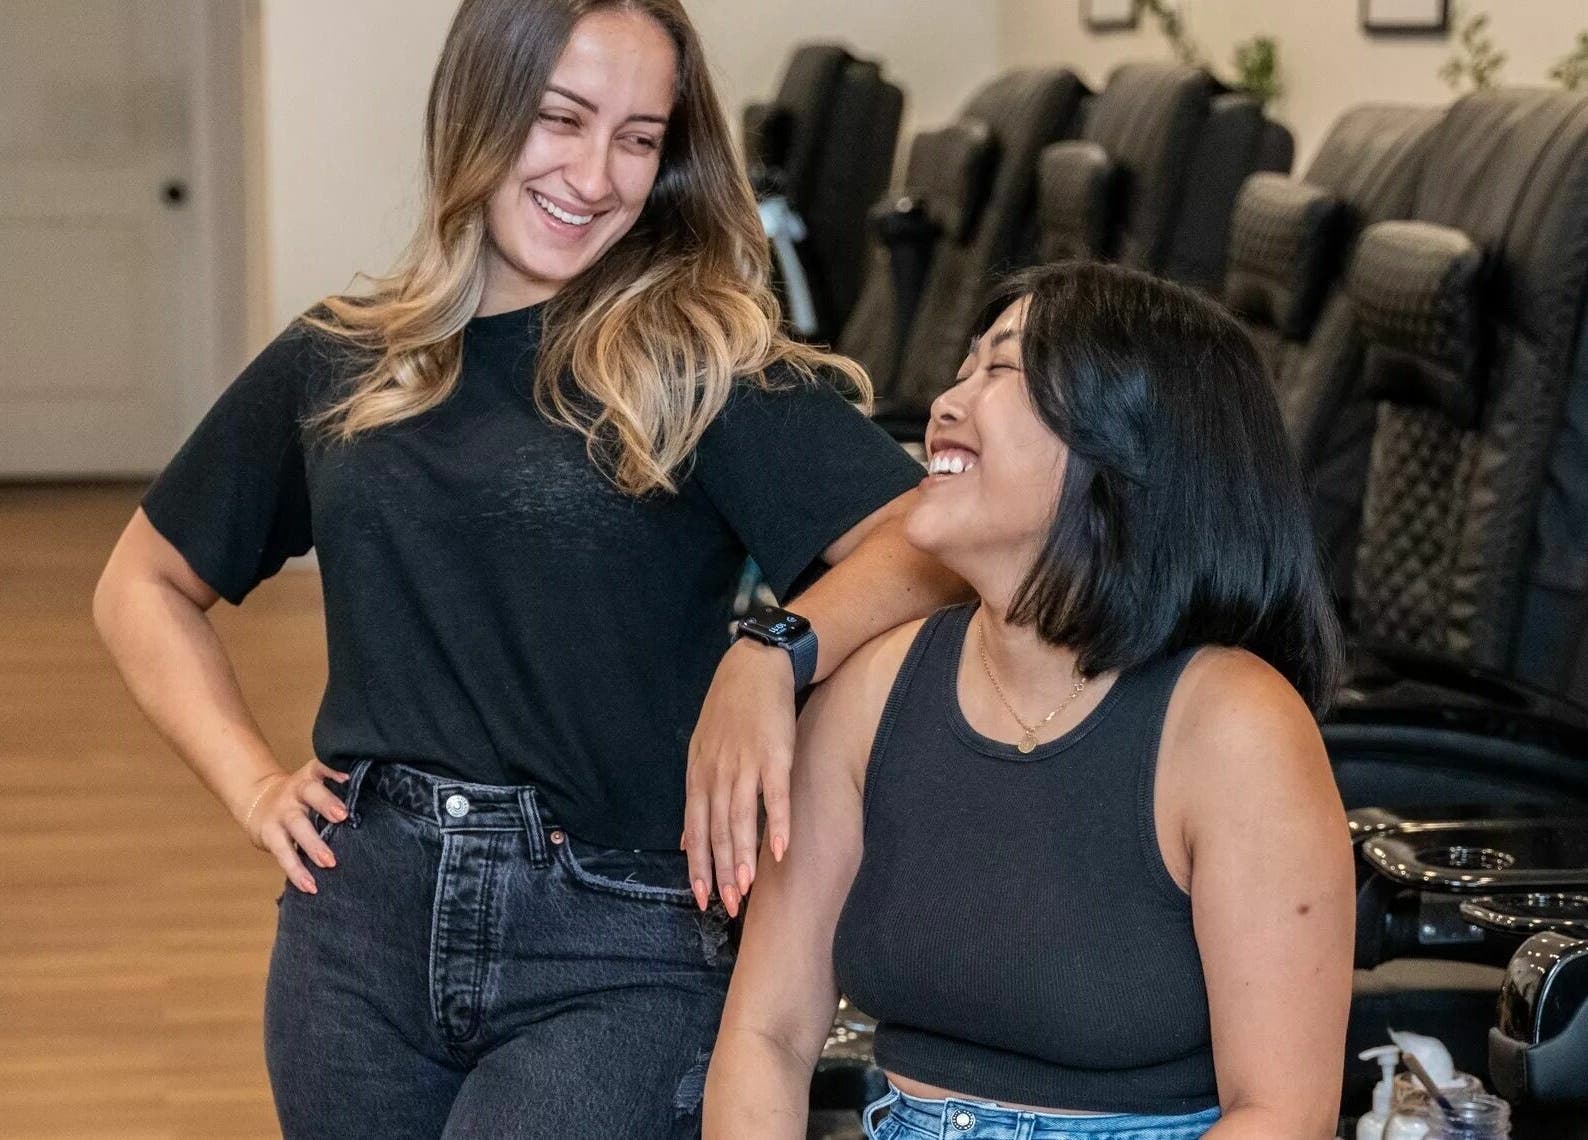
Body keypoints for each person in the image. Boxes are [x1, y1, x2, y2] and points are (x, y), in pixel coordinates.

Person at [92, 1, 963, 1135]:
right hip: (357, 935)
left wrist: (772, 650)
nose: (596, 175)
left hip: (617, 938)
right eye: (561, 118)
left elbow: (930, 541)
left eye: (639, 139)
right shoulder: (347, 357)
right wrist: (255, 785)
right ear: (477, 108)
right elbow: (141, 584)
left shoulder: (697, 361)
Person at [704, 262, 1356, 1140]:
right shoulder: (867, 694)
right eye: (963, 366)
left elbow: (1283, 1115)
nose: (944, 401)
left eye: (1001, 370)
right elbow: (768, 1036)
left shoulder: (1236, 727)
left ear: (1120, 445)